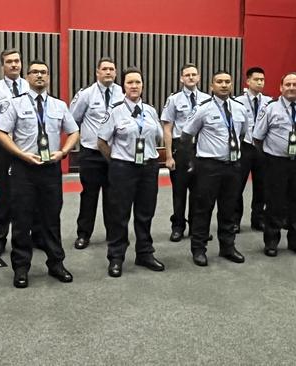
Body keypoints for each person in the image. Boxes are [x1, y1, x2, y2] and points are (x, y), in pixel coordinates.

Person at [0, 60, 79, 288]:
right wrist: (20, 154)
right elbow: (1, 132)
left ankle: (56, 263)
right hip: (24, 169)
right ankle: (21, 267)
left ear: (49, 77)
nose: (39, 76)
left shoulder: (59, 106)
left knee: (51, 218)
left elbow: (74, 132)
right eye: (35, 72)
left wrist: (63, 152)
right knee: (21, 219)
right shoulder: (15, 104)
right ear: (28, 77)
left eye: (44, 72)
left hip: (50, 169)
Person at [97, 67, 165, 277]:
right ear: (123, 86)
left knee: (145, 213)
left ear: (143, 85)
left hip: (148, 168)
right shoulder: (115, 111)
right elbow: (101, 142)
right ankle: (116, 257)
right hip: (123, 168)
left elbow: (157, 138)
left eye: (137, 82)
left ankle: (144, 253)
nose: (134, 86)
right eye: (129, 83)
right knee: (120, 214)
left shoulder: (151, 111)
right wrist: (117, 160)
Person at [252, 72, 296, 257]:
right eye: (288, 84)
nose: (291, 88)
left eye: (295, 84)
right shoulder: (270, 108)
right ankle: (271, 242)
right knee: (274, 202)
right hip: (276, 163)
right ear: (281, 87)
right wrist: (272, 155)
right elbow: (257, 138)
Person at [181, 70, 247, 267]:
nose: (224, 85)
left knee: (228, 209)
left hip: (233, 166)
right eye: (219, 82)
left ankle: (228, 247)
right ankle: (199, 249)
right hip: (209, 166)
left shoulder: (239, 108)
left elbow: (241, 134)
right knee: (203, 209)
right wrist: (193, 161)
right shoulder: (203, 109)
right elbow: (186, 137)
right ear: (211, 86)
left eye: (227, 81)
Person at [0, 49, 30, 259]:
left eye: (17, 61)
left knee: (29, 194)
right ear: (3, 66)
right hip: (4, 149)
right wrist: (8, 139)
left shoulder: (29, 86)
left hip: (27, 148)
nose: (14, 65)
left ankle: (28, 237)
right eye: (9, 62)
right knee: (4, 195)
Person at [70, 57, 123, 249]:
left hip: (114, 154)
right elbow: (72, 119)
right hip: (91, 154)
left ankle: (113, 234)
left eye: (112, 69)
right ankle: (83, 234)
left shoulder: (122, 92)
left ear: (116, 73)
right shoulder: (86, 94)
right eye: (105, 69)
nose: (108, 72)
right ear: (97, 72)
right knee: (89, 195)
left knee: (113, 196)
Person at [161, 64, 210, 241]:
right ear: (181, 78)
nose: (190, 77)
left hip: (201, 148)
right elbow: (167, 128)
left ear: (198, 78)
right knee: (179, 191)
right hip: (180, 148)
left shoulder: (207, 99)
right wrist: (168, 155)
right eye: (187, 75)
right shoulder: (174, 100)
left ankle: (197, 228)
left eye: (193, 74)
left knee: (200, 191)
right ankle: (178, 226)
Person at [233, 67, 272, 232]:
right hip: (245, 146)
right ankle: (235, 220)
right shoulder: (237, 101)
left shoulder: (269, 102)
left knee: (262, 185)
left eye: (262, 80)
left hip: (263, 147)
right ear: (248, 81)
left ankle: (258, 219)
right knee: (237, 185)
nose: (260, 82)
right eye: (256, 79)